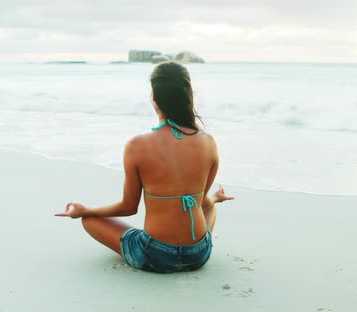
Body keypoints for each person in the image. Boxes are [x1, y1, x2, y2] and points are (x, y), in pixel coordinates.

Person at [54, 61, 234, 273]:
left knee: (89, 220)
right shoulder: (208, 142)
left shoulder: (137, 146)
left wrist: (86, 210)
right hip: (198, 254)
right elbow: (201, 201)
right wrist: (215, 199)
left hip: (156, 255)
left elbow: (129, 207)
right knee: (209, 206)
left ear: (154, 97)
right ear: (188, 96)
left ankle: (92, 217)